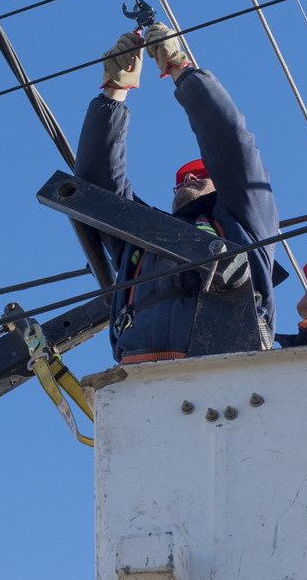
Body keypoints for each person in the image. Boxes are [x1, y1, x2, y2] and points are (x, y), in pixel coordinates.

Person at [76, 22, 281, 363]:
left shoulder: (244, 222)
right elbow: (98, 186)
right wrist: (114, 92)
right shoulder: (141, 241)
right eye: (182, 179)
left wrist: (183, 72)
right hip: (143, 377)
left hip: (231, 370)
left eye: (200, 176)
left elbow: (232, 147)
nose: (188, 181)